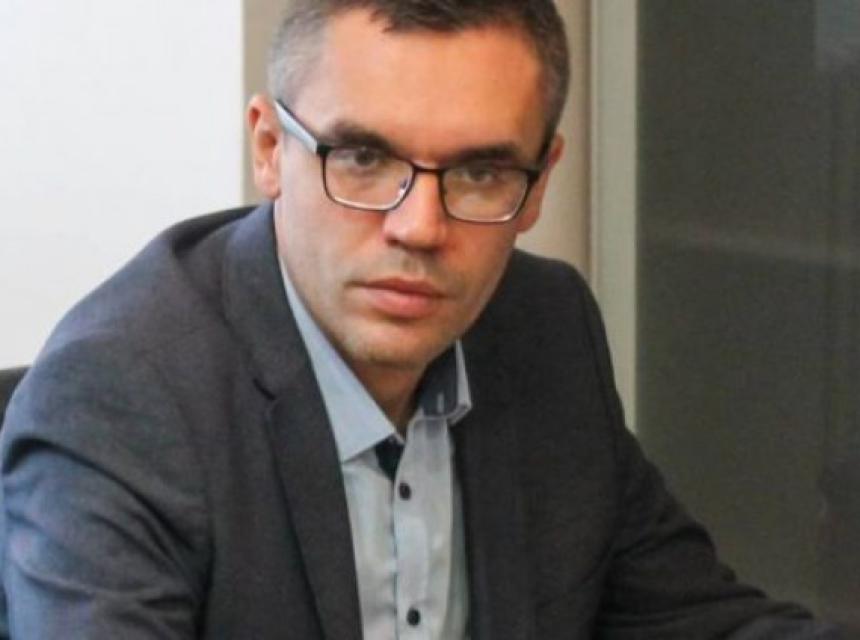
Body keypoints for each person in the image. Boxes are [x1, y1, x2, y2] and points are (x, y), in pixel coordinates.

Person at [0, 1, 845, 638]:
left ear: (539, 182)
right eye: (364, 158)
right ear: (269, 149)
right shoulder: (119, 398)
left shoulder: (543, 327)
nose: (419, 227)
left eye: (480, 172)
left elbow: (699, 621)